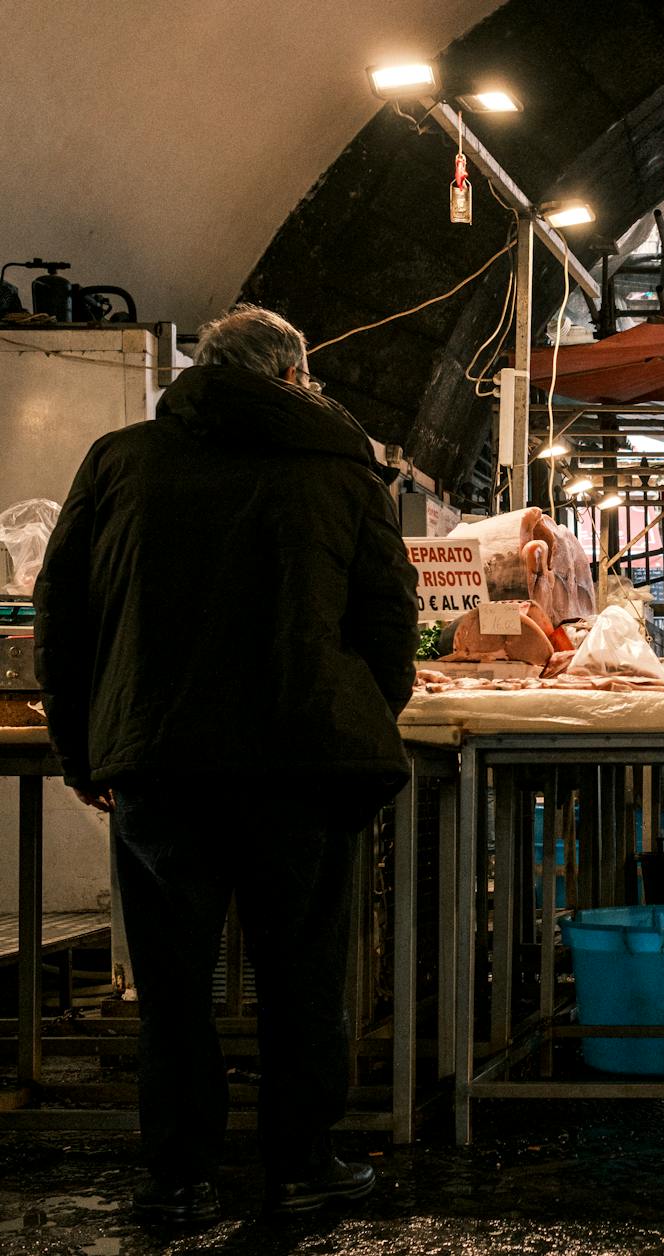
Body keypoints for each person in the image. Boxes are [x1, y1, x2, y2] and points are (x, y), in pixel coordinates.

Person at [33, 305, 419, 1222]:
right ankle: (302, 1162)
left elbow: (63, 614)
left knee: (172, 986)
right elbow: (389, 619)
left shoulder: (120, 460)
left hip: (162, 766)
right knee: (302, 975)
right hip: (302, 766)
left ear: (202, 372)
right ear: (292, 377)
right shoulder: (340, 466)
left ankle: (179, 1178)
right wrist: (361, 715)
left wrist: (85, 749)